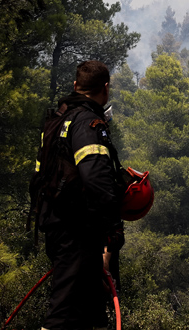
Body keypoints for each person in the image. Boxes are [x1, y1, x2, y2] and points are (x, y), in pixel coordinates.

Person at [34, 60, 125, 330]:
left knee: (89, 308)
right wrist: (113, 226)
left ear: (75, 86)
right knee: (64, 311)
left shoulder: (60, 118)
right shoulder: (88, 122)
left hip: (56, 221)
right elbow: (96, 179)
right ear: (105, 89)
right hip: (77, 227)